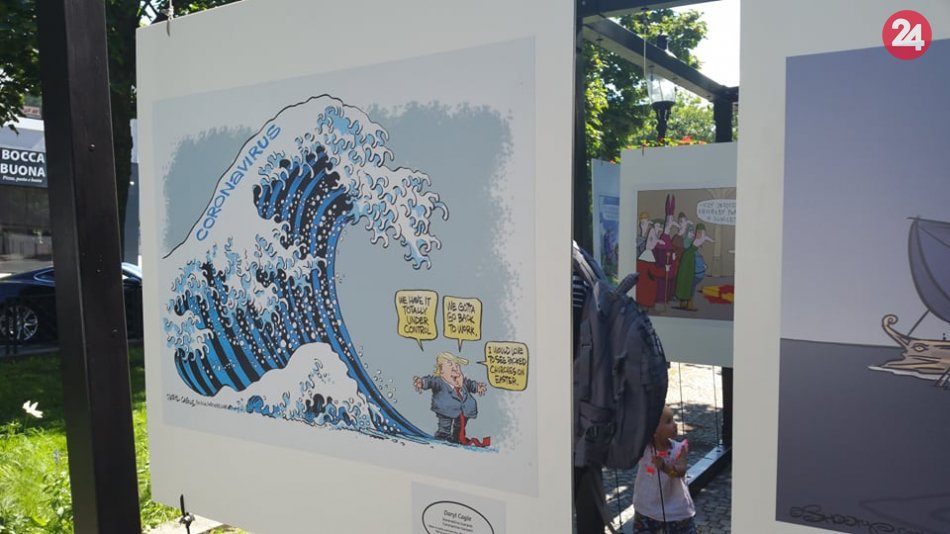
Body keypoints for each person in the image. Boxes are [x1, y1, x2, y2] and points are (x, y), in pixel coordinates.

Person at [632, 405, 696, 533]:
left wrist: (665, 467)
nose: (675, 424)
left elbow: (680, 471)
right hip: (646, 509)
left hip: (675, 511)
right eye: (668, 421)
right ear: (653, 431)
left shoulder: (679, 449)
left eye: (673, 419)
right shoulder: (645, 449)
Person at [414, 351, 489, 446]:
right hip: (445, 408)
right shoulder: (440, 381)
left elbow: (470, 384)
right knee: (445, 425)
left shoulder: (462, 382)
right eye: (450, 365)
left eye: (457, 366)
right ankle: (443, 436)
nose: (455, 368)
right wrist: (422, 383)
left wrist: (478, 387)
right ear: (441, 370)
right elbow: (430, 381)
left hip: (464, 409)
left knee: (460, 426)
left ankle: (458, 437)